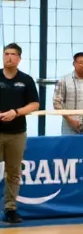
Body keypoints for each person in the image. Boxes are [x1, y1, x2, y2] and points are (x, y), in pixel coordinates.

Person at [0, 44, 39, 224]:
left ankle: (10, 209)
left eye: (12, 54)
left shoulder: (26, 80)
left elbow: (34, 104)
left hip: (16, 133)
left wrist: (15, 112)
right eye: (6, 54)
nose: (8, 57)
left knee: (14, 173)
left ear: (19, 58)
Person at [52, 51, 83, 135]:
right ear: (74, 64)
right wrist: (70, 119)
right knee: (69, 147)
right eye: (80, 62)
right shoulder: (64, 80)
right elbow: (56, 102)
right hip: (69, 125)